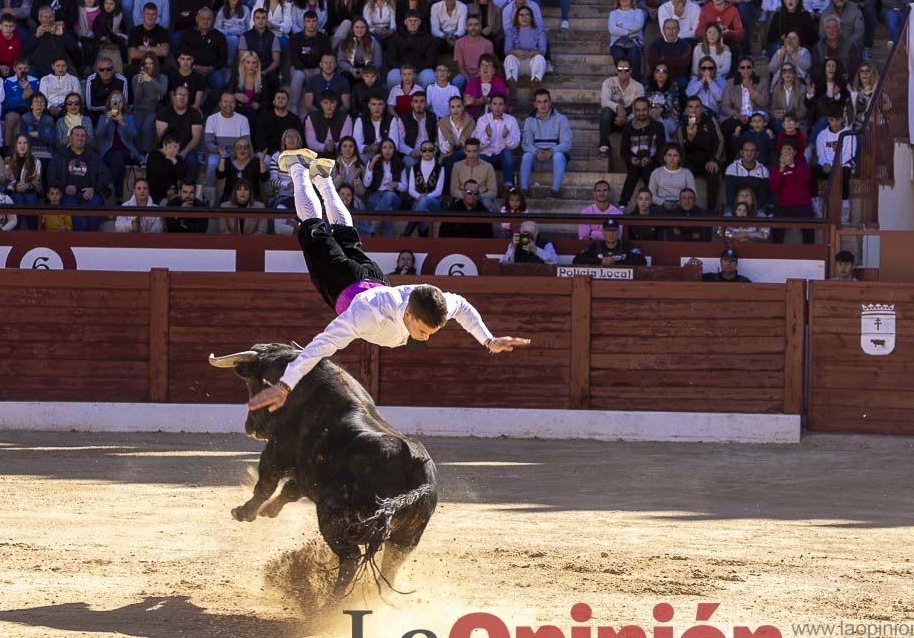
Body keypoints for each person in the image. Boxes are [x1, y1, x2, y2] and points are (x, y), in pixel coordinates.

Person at [235, 146, 529, 412]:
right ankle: (299, 167)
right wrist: (285, 386)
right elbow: (321, 346)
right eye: (424, 330)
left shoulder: (432, 301)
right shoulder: (367, 317)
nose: (427, 337)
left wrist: (488, 340)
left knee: (347, 235)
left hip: (374, 279)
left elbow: (461, 306)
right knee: (314, 230)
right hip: (345, 286)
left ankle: (324, 178)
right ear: (411, 313)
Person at [518, 88, 572, 196]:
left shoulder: (561, 119)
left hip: (554, 161)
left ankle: (555, 190)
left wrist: (551, 152)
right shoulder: (529, 120)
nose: (543, 105)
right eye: (539, 102)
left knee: (558, 156)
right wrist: (536, 152)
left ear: (550, 102)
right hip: (536, 159)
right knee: (526, 156)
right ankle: (523, 189)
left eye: (545, 101)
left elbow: (567, 143)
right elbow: (526, 144)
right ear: (535, 104)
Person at [573, 217, 648, 267]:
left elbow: (642, 261)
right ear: (603, 232)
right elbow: (577, 260)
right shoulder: (595, 246)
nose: (611, 234)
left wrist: (615, 263)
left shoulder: (627, 247)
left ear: (618, 232)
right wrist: (600, 262)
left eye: (614, 231)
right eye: (608, 231)